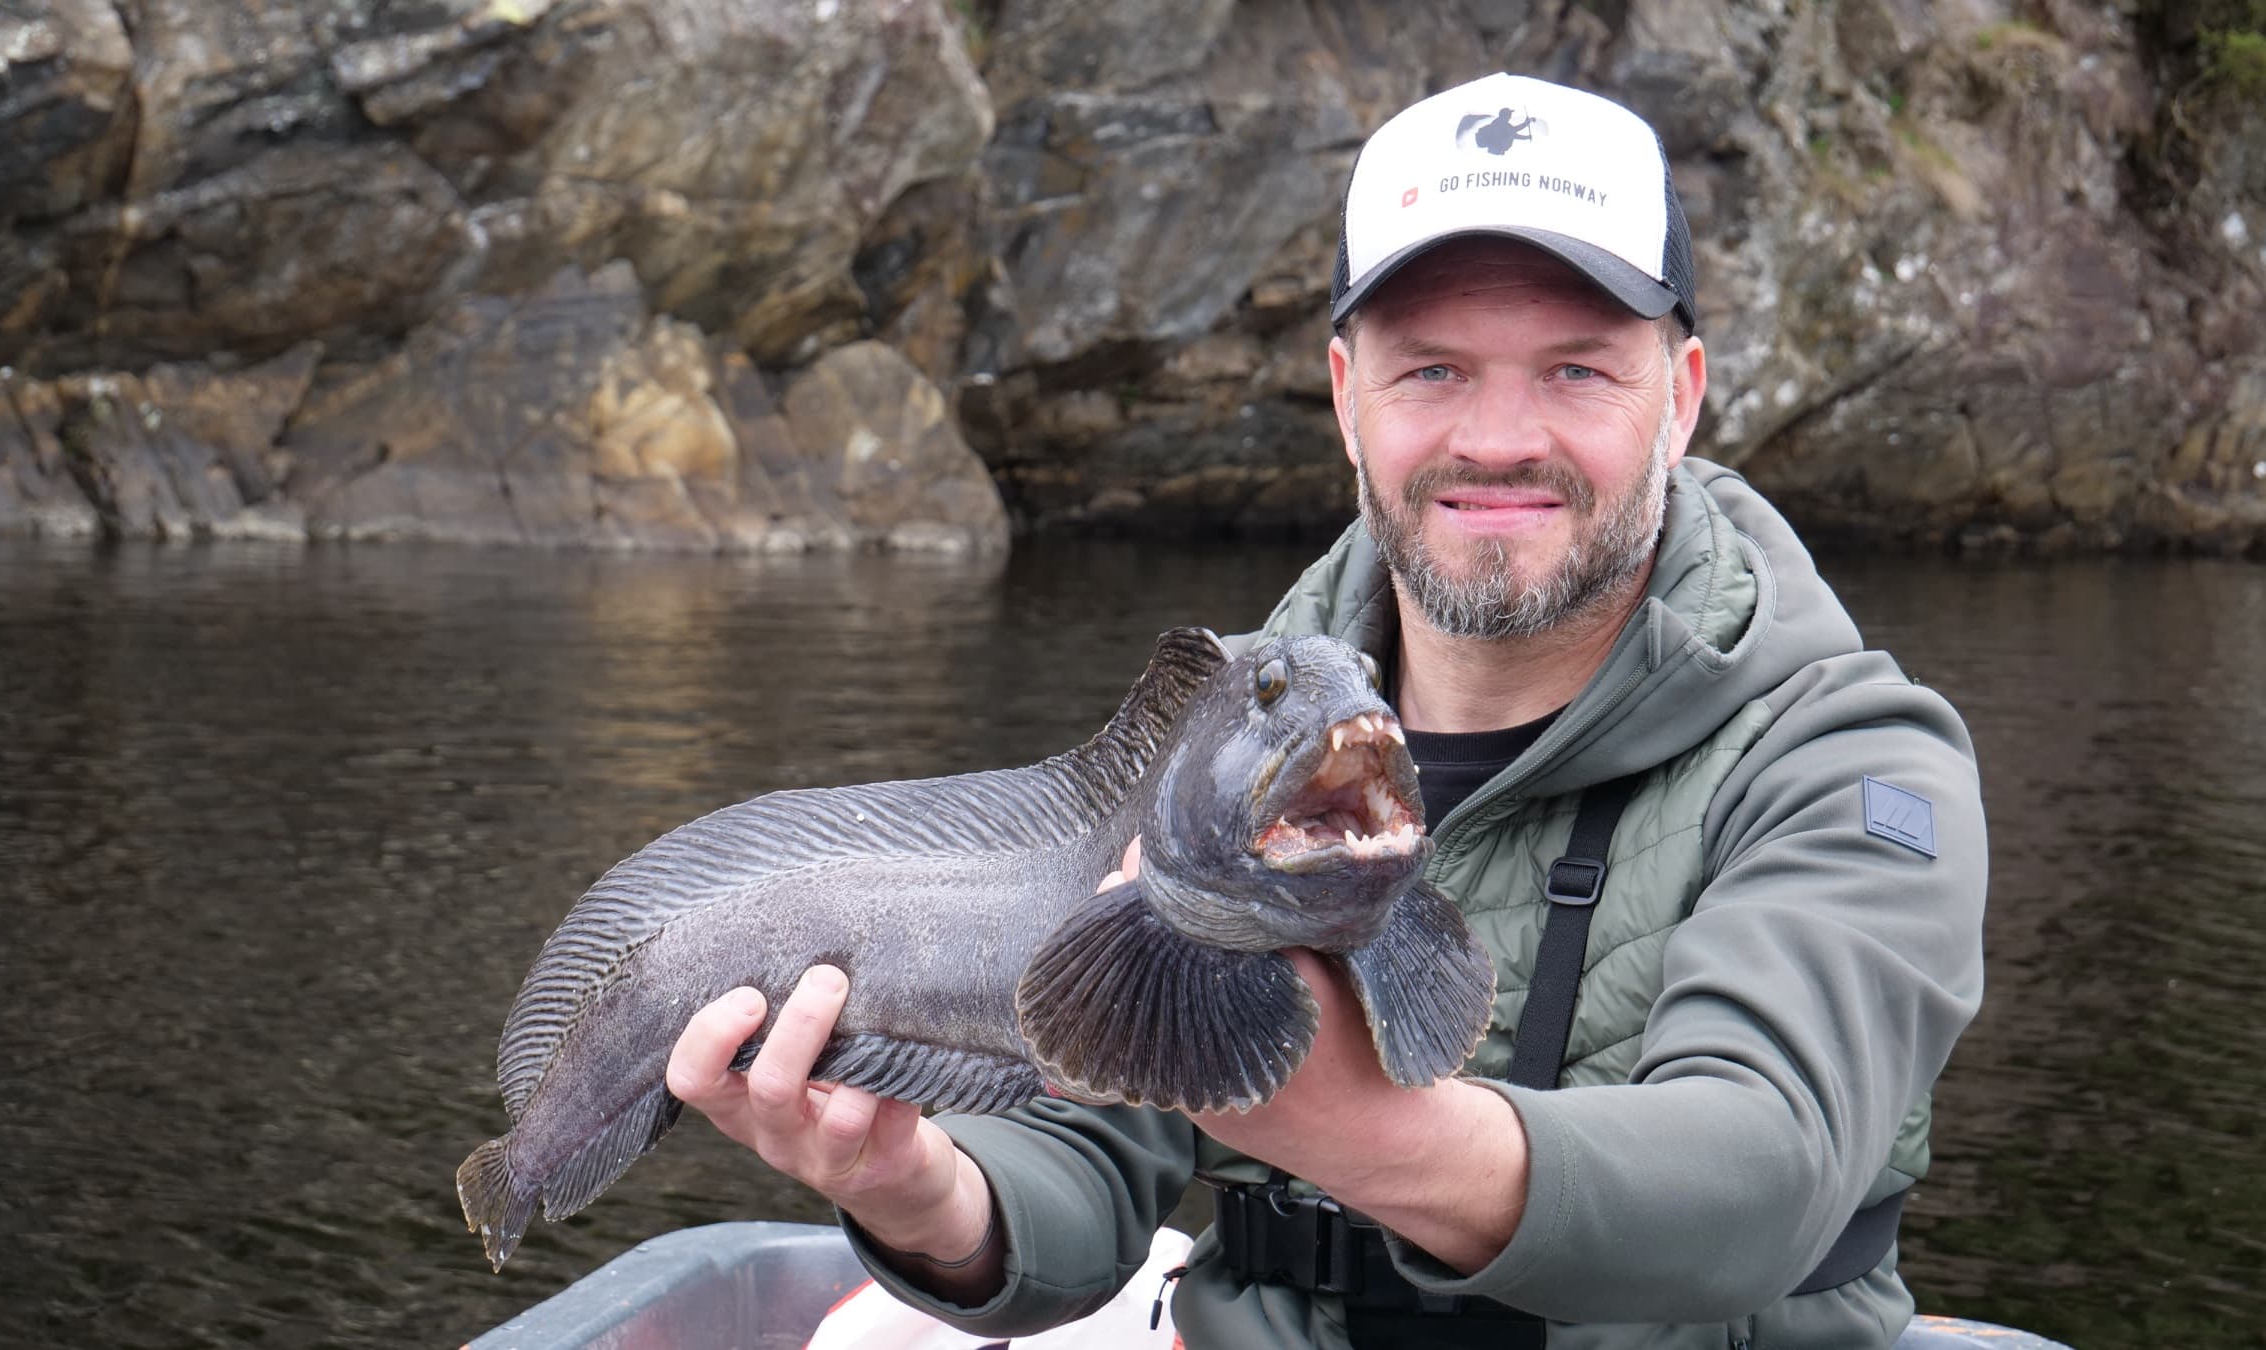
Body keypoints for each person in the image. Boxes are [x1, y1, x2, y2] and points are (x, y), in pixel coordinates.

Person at [665, 72, 1987, 1350]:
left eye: (1578, 370)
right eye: (1433, 372)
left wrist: (1349, 1127)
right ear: (1349, 400)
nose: (1500, 435)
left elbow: (1761, 1177)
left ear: (1681, 398)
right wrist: (920, 1189)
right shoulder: (1231, 734)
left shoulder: (1853, 758)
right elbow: (1090, 1151)